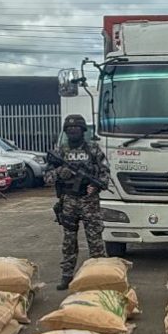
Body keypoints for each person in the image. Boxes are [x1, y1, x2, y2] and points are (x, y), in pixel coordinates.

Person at [45, 114, 109, 290]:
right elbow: (47, 177)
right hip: (69, 201)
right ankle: (67, 275)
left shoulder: (93, 149)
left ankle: (100, 276)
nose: (73, 132)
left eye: (77, 129)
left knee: (95, 240)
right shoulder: (59, 151)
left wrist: (96, 187)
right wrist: (60, 172)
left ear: (83, 131)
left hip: (89, 201)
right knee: (69, 241)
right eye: (70, 129)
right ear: (66, 131)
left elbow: (105, 172)